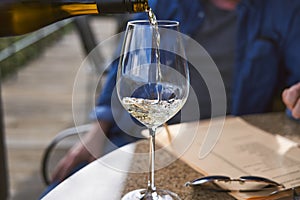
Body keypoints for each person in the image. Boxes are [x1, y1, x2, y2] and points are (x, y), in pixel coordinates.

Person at [50, 0, 300, 186]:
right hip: (137, 139)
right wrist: (96, 133)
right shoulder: (164, 2)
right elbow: (123, 69)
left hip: (223, 153)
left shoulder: (285, 10)